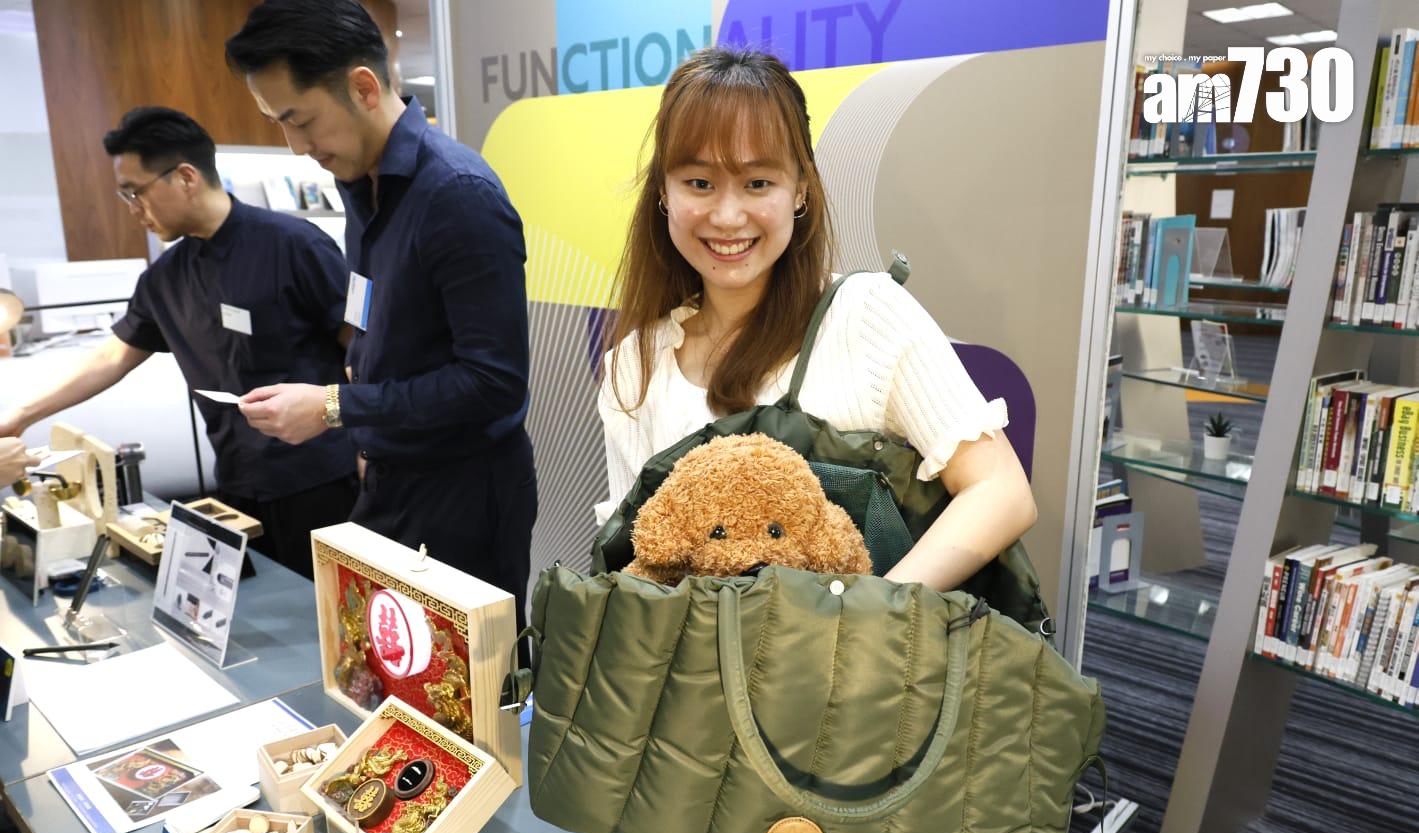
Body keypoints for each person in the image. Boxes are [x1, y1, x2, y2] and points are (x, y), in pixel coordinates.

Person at [597, 47, 1037, 593]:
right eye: (699, 183)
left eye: (758, 183)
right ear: (664, 191)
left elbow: (1000, 492)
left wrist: (864, 617)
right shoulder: (633, 367)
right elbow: (634, 560)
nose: (727, 216)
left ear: (800, 188)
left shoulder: (866, 315)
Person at [226, 0, 537, 628]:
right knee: (378, 671)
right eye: (278, 124)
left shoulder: (457, 194)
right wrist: (354, 401)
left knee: (463, 684)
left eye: (299, 120)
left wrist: (335, 407)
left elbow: (493, 382)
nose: (296, 147)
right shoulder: (361, 187)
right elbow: (379, 324)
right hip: (388, 479)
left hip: (462, 494)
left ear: (364, 88)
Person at [0, 107, 356, 578]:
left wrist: (373, 446)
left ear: (186, 177)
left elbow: (361, 348)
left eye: (136, 191)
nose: (133, 208)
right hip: (235, 484)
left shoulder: (293, 244)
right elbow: (113, 355)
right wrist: (23, 415)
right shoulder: (166, 277)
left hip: (324, 481)